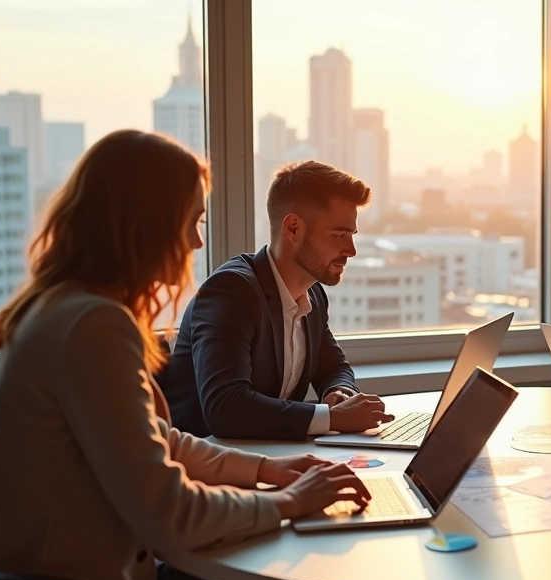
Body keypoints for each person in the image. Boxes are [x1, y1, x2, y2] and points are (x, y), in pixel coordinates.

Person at [0, 131, 409, 580]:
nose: (196, 243)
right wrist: (288, 502)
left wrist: (271, 470)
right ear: (142, 226)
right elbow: (168, 511)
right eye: (191, 222)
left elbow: (161, 439)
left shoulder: (71, 308)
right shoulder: (92, 326)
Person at [160, 160, 392, 440]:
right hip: (207, 466)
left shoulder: (313, 295)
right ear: (293, 228)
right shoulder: (232, 290)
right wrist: (332, 418)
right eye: (339, 235)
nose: (351, 250)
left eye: (352, 235)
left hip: (272, 458)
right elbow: (225, 408)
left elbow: (334, 368)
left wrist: (338, 393)